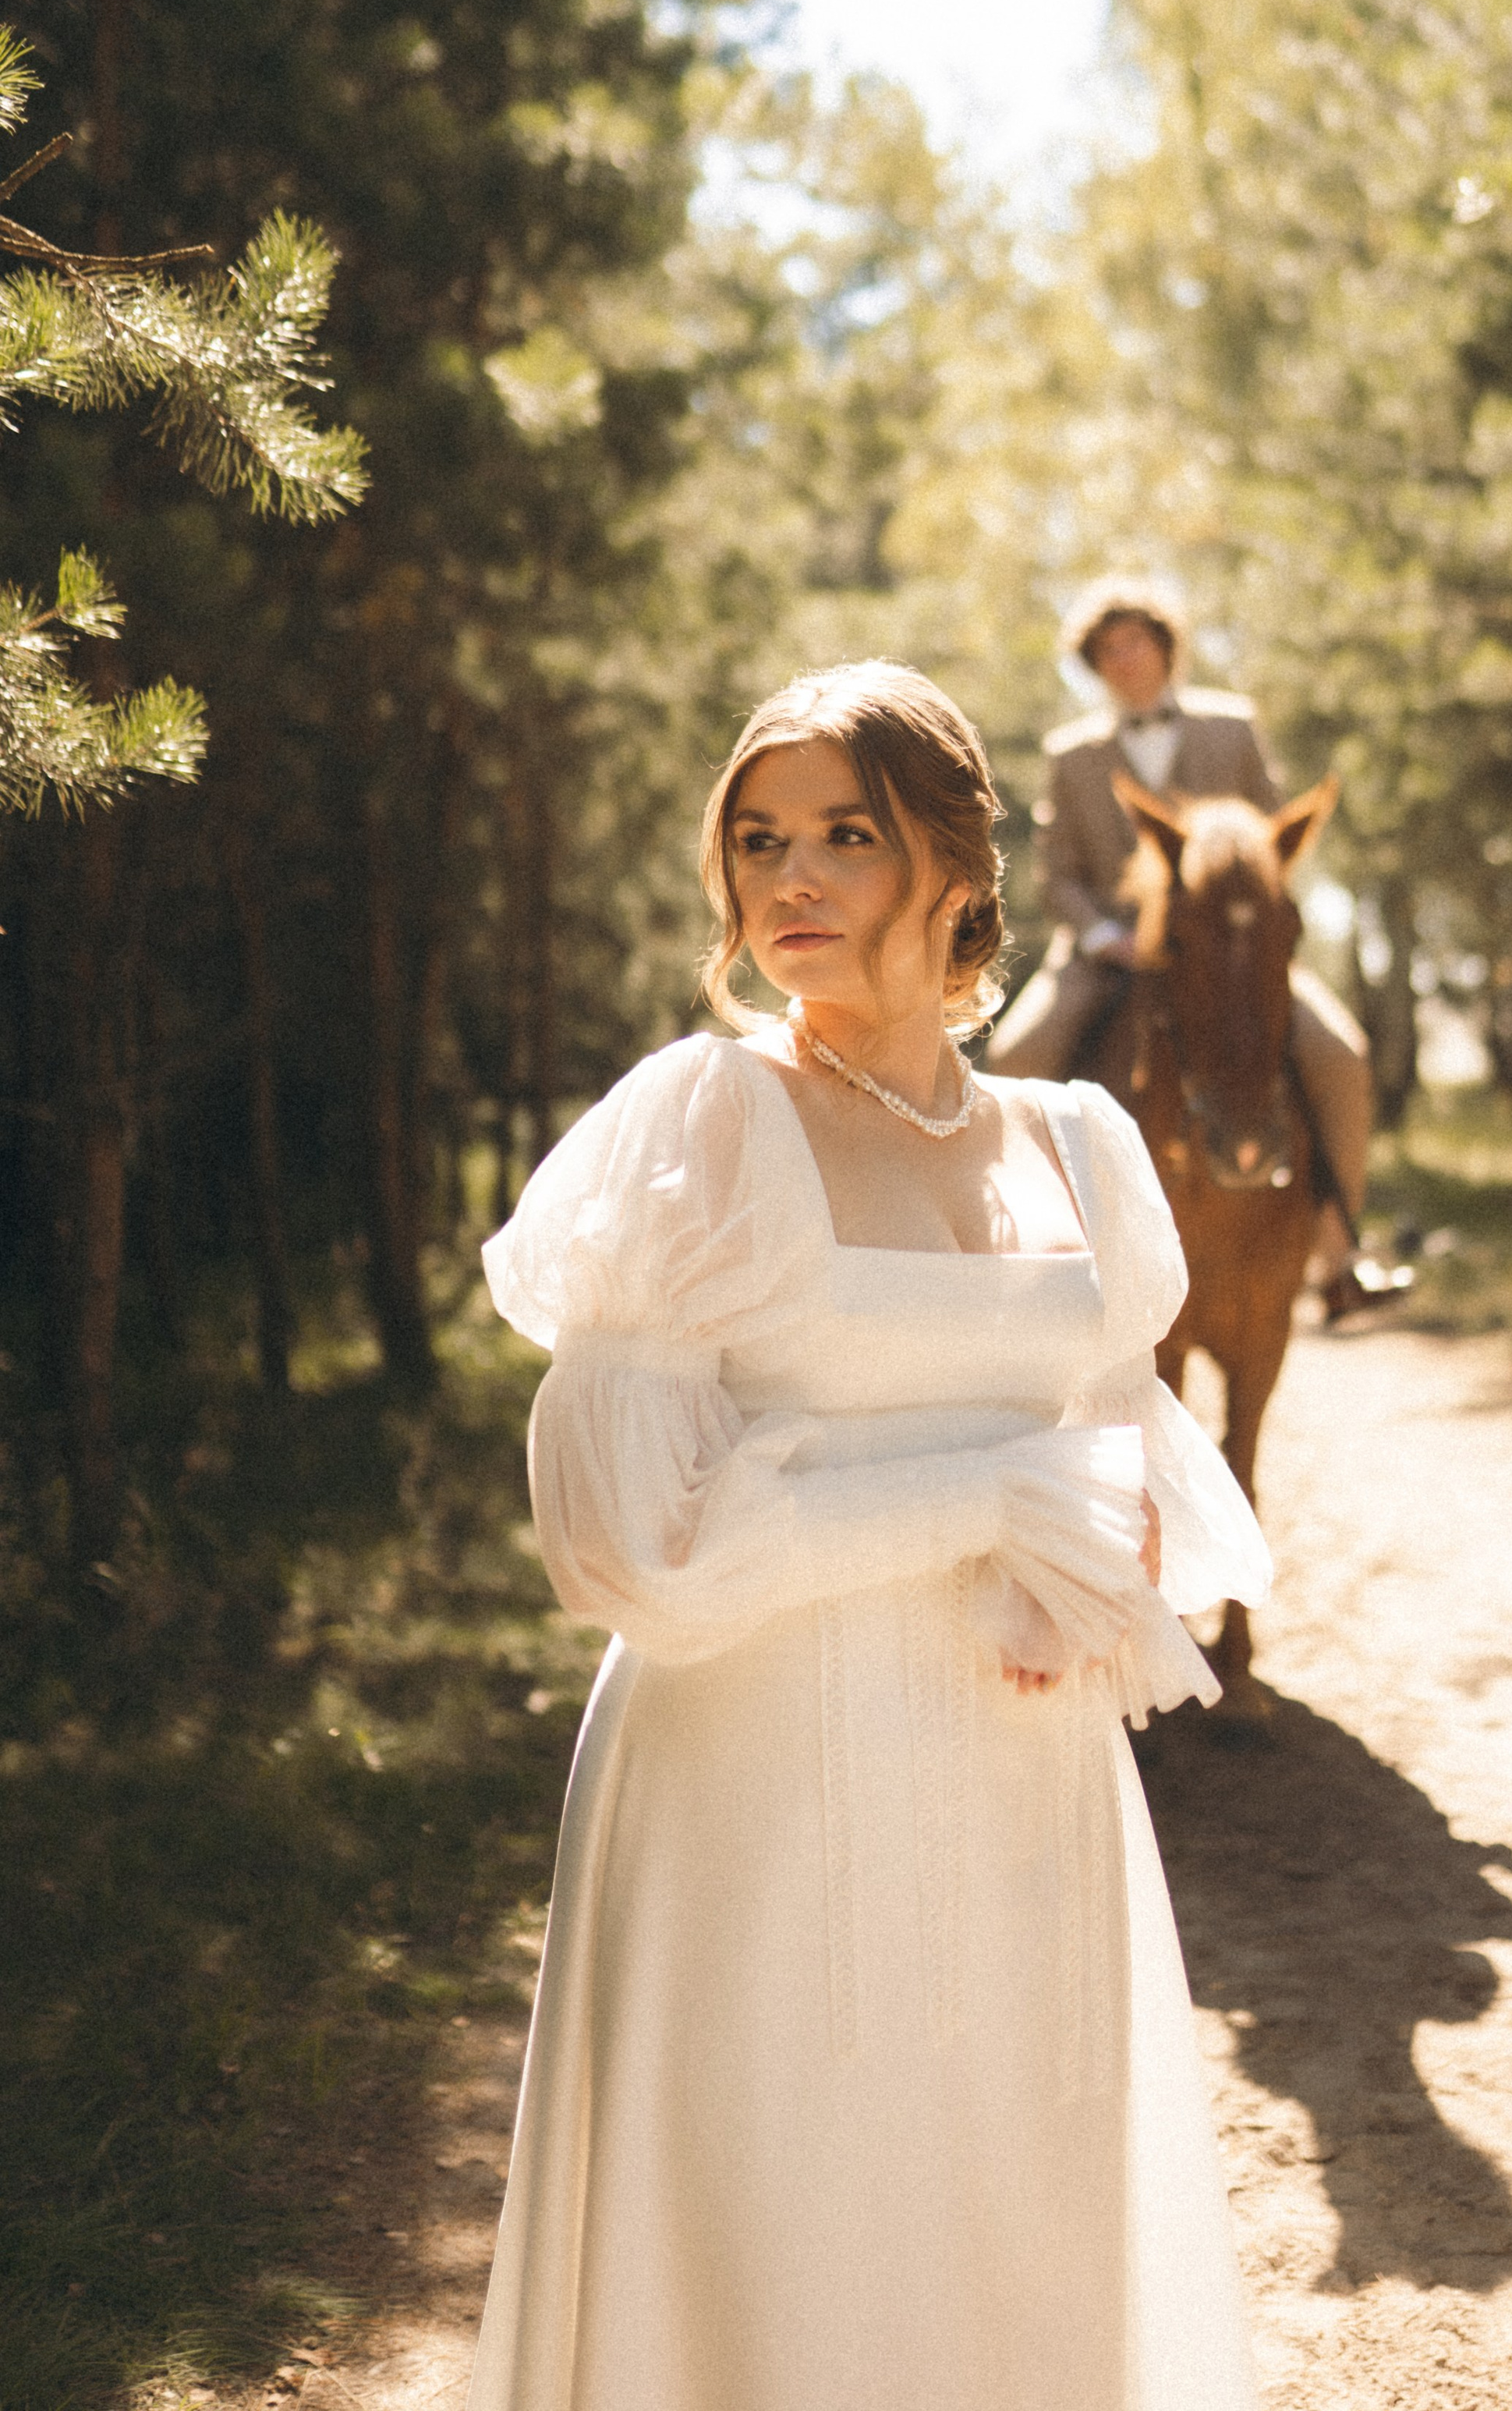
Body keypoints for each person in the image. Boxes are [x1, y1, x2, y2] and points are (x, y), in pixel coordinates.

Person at [469, 660, 1272, 2411]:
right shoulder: (702, 1130)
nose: (791, 880)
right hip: (757, 1804)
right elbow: (644, 1563)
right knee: (779, 2237)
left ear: (949, 869)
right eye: (759, 841)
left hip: (1021, 1797)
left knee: (1014, 2230)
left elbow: (1125, 1465)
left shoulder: (1078, 1146)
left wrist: (1087, 1575)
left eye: (846, 833)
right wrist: (980, 1503)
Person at [985, 577, 1376, 1290]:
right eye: (1106, 650)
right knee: (1013, 1057)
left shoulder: (1233, 728)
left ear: (1166, 648)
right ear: (1095, 666)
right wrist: (1106, 935)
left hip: (1231, 953)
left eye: (1135, 641)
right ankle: (1019, 1261)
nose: (1123, 658)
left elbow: (1273, 841)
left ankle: (1338, 1250)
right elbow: (1056, 874)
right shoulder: (1072, 754)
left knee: (1343, 1055)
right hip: (1113, 955)